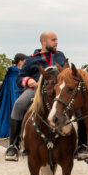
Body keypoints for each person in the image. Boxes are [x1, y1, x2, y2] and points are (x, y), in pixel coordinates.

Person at [7, 32, 70, 161]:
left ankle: (82, 145)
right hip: (36, 90)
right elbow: (19, 78)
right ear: (44, 42)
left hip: (58, 90)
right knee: (19, 104)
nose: (56, 42)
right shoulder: (31, 59)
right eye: (53, 40)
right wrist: (28, 80)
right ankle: (13, 145)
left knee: (77, 105)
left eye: (56, 39)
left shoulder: (60, 56)